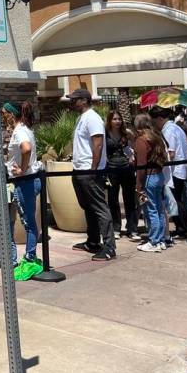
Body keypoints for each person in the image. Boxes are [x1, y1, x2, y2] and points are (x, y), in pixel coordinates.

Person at [67, 88, 116, 260]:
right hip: (80, 170)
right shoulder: (82, 118)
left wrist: (93, 169)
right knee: (87, 206)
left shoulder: (93, 118)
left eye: (75, 99)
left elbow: (98, 145)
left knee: (100, 208)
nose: (72, 102)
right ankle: (93, 241)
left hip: (90, 171)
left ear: (85, 100)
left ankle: (109, 247)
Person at [7, 101, 43, 281]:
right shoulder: (25, 129)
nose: (3, 117)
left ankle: (29, 256)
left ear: (12, 114)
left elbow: (26, 148)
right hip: (30, 180)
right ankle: (30, 254)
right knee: (30, 221)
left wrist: (22, 168)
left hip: (25, 181)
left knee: (28, 223)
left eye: (4, 113)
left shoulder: (20, 130)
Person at [153, 106, 187, 239]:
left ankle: (185, 228)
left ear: (159, 119)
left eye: (154, 121)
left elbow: (171, 152)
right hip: (180, 170)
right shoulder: (177, 128)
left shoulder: (168, 130)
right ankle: (182, 227)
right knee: (178, 200)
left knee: (175, 201)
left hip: (174, 171)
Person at [133, 114, 168, 252]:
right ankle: (160, 240)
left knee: (151, 210)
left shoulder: (142, 140)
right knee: (159, 209)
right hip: (159, 176)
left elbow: (141, 165)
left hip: (149, 178)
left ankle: (154, 241)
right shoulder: (157, 137)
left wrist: (138, 185)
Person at [105, 110, 139, 241]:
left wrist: (133, 155)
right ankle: (116, 228)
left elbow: (136, 145)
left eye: (119, 119)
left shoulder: (127, 133)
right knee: (113, 200)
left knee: (130, 199)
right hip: (112, 170)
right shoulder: (105, 133)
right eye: (114, 119)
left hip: (127, 169)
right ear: (109, 120)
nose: (117, 121)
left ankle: (133, 229)